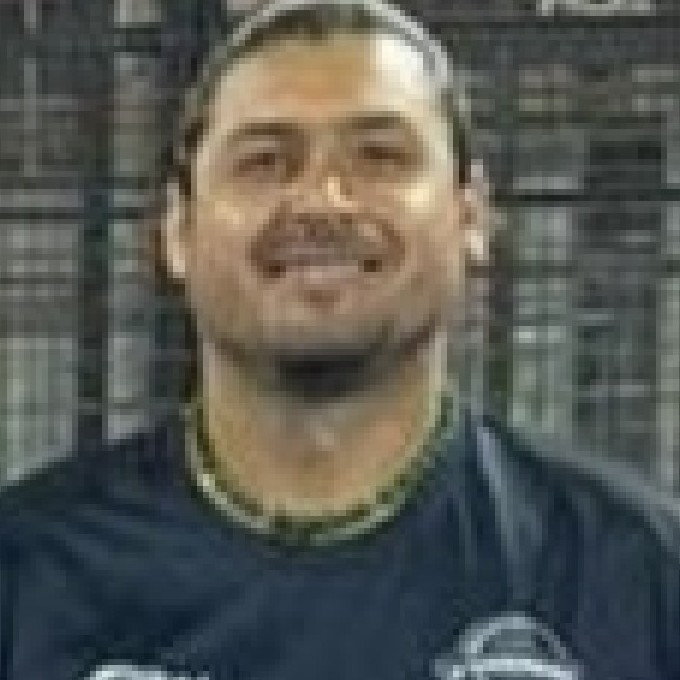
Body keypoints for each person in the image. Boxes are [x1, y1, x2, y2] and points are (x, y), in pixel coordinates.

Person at [1, 1, 679, 679]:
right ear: (178, 231)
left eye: (379, 157)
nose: (322, 200)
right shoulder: (27, 574)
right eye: (265, 161)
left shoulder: (634, 572)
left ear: (470, 215)